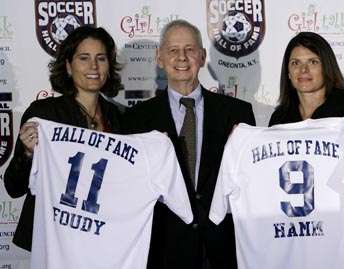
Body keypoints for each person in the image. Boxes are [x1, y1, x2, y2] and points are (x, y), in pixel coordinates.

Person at [124, 19, 255, 269]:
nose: (182, 57)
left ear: (202, 56)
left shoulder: (238, 112)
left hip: (223, 248)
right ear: (159, 58)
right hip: (163, 249)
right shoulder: (136, 119)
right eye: (173, 50)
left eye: (190, 49)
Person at [268, 31, 344, 268]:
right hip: (297, 240)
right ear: (287, 72)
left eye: (312, 62)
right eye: (295, 63)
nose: (303, 70)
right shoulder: (280, 119)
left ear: (326, 67)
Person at [4, 25, 124, 252]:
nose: (94, 67)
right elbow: (13, 187)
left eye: (101, 58)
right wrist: (28, 153)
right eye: (83, 58)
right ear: (68, 66)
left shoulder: (120, 118)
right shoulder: (44, 114)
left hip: (102, 239)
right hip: (54, 241)